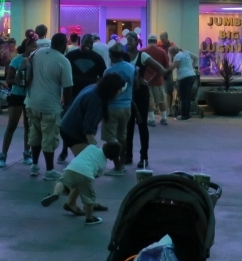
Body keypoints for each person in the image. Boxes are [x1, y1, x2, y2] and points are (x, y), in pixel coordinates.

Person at [25, 32, 73, 180]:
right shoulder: (63, 60)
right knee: (49, 138)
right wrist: (67, 104)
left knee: (35, 134)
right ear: (63, 44)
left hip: (32, 102)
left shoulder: (37, 53)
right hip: (50, 105)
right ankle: (50, 170)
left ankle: (34, 165)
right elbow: (68, 86)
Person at [41, 141, 121, 225]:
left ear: (104, 144)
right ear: (112, 158)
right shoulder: (103, 163)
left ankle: (56, 193)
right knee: (89, 197)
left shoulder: (91, 147)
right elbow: (97, 174)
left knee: (62, 182)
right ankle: (89, 218)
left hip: (72, 168)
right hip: (86, 174)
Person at [59, 35, 107, 163]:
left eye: (91, 43)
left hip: (90, 98)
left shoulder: (97, 58)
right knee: (68, 123)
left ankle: (85, 148)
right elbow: (63, 72)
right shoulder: (71, 55)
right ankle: (64, 150)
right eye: (86, 42)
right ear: (81, 42)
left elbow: (103, 76)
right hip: (72, 94)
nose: (88, 45)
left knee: (88, 125)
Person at [124, 32, 166, 168]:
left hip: (141, 94)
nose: (129, 43)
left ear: (137, 42)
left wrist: (147, 81)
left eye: (131, 41)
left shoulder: (142, 56)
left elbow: (161, 69)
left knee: (141, 124)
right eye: (127, 41)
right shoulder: (124, 57)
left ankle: (144, 157)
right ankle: (128, 155)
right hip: (126, 94)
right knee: (128, 126)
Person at [0, 38, 34, 168]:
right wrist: (19, 81)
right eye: (33, 46)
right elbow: (9, 79)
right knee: (11, 125)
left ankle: (27, 153)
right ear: (27, 46)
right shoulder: (16, 60)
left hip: (30, 95)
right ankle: (3, 154)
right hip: (17, 95)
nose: (35, 49)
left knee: (28, 126)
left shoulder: (35, 61)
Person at [102, 43, 135, 175]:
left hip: (112, 107)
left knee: (110, 138)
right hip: (126, 106)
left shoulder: (109, 71)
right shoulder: (131, 68)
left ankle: (117, 167)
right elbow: (135, 85)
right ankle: (122, 162)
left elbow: (104, 92)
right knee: (122, 136)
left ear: (112, 56)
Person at [143, 34, 171, 126]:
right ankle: (164, 118)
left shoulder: (142, 51)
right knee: (162, 99)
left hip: (146, 79)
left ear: (148, 41)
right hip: (159, 79)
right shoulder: (162, 51)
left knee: (149, 100)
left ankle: (151, 119)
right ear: (156, 41)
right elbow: (166, 66)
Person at [169, 45, 198, 120]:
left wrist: (169, 58)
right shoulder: (186, 52)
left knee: (183, 97)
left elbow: (171, 67)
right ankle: (187, 115)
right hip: (192, 75)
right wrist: (191, 67)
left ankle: (184, 116)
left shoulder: (177, 56)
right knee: (187, 97)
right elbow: (196, 58)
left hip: (184, 77)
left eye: (170, 53)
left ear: (172, 53)